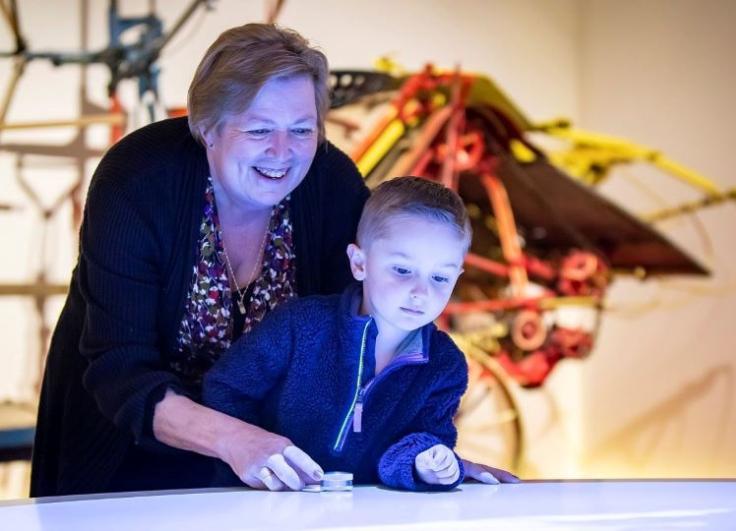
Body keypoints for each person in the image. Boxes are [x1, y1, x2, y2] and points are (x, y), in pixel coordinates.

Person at [30, 23, 517, 497]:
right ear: (207, 127)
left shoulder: (330, 184)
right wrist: (234, 439)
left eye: (302, 130)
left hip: (271, 464)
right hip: (125, 446)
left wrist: (421, 454)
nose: (282, 153)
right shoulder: (138, 179)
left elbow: (365, 338)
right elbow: (120, 369)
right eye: (259, 129)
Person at [204, 177, 470, 491]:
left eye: (440, 276)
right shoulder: (300, 324)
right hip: (264, 500)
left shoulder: (445, 365)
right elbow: (225, 388)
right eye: (402, 269)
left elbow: (422, 439)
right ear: (359, 263)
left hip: (363, 514)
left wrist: (425, 462)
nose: (421, 292)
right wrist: (255, 458)